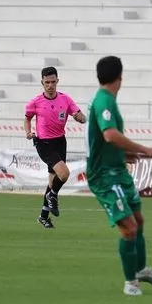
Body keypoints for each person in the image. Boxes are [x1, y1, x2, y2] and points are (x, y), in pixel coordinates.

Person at [86, 56, 152, 296]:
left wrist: (131, 154)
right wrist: (145, 150)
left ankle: (142, 269)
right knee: (129, 228)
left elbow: (110, 143)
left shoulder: (108, 100)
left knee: (138, 221)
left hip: (118, 171)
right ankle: (130, 283)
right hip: (104, 176)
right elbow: (110, 136)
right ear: (120, 77)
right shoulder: (104, 101)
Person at [24, 67, 86, 229]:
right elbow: (27, 118)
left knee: (52, 180)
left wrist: (81, 117)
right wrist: (28, 131)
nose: (50, 85)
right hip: (43, 143)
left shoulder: (65, 99)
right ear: (42, 82)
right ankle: (53, 195)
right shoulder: (35, 102)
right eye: (47, 82)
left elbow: (79, 115)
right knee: (64, 174)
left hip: (60, 141)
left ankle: (44, 216)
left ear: (57, 81)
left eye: (53, 82)